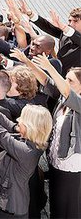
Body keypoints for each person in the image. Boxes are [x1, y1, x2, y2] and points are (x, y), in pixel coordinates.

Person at [33, 55, 81, 218]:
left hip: (71, 165)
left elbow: (65, 90)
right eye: (65, 79)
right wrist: (27, 62)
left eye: (71, 81)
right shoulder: (63, 99)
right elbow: (46, 81)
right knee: (55, 205)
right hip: (56, 160)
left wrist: (50, 67)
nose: (66, 83)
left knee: (69, 207)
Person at [0, 105, 53, 218]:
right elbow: (9, 124)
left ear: (30, 126)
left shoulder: (26, 151)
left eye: (22, 119)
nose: (18, 120)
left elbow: (1, 135)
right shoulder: (34, 142)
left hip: (10, 209)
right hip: (7, 203)